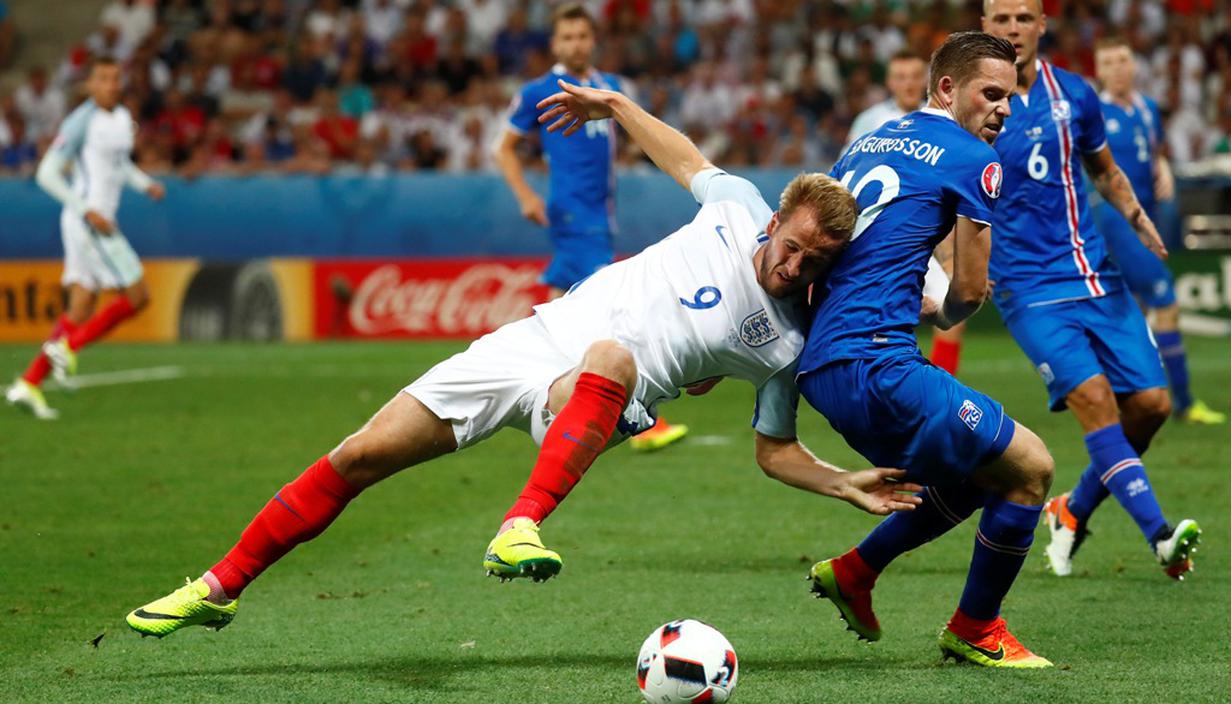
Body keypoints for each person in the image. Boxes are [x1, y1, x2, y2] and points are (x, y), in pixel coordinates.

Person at [125, 77, 924, 640]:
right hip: (533, 341)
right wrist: (613, 105)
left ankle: (520, 524)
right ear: (777, 217)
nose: (794, 269)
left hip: (598, 395)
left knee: (612, 356)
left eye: (813, 265)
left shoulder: (789, 342)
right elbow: (682, 155)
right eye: (791, 249)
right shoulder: (737, 205)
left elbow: (773, 447)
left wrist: (840, 482)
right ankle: (218, 588)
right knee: (360, 453)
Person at [800, 31, 1058, 669]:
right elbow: (969, 293)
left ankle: (856, 571)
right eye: (991, 94)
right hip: (878, 365)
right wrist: (943, 307)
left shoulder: (869, 140)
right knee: (1032, 468)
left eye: (1010, 98)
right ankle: (976, 628)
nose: (1003, 109)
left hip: (823, 366)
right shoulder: (975, 159)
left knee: (977, 473)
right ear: (947, 88)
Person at [982, 0, 1201, 581]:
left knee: (1151, 407)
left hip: (1095, 275)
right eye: (1000, 19)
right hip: (1026, 288)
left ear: (1041, 26)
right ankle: (1160, 536)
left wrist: (1134, 212)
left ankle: (1072, 510)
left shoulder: (1075, 94)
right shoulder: (966, 104)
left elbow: (1102, 168)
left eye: (1022, 18)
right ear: (984, 27)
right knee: (1096, 401)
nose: (1012, 29)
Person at [494, 3, 688, 452]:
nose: (576, 44)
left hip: (600, 213)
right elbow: (503, 148)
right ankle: (637, 415)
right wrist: (525, 195)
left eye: (582, 36)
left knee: (563, 303)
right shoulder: (537, 91)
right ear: (555, 45)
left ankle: (520, 378)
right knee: (608, 309)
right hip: (572, 213)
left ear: (593, 40)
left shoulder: (611, 88)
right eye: (567, 37)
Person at [5, 58, 165, 420]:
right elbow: (47, 173)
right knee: (138, 294)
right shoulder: (81, 121)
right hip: (89, 221)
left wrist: (146, 185)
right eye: (103, 78)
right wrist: (86, 209)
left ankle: (29, 383)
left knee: (81, 306)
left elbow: (120, 165)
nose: (111, 84)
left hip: (96, 221)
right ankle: (69, 347)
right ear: (90, 84)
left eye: (115, 78)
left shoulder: (122, 119)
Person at [1092, 36, 1224, 425]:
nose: (1118, 68)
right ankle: (1183, 402)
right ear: (1099, 71)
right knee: (1165, 299)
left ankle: (1127, 396)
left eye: (1123, 60)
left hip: (1146, 217)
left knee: (1135, 309)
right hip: (1115, 220)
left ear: (1134, 65)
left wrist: (1162, 166)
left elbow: (1154, 150)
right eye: (1110, 62)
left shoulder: (1148, 109)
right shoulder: (1094, 113)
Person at [844, 50, 967, 376]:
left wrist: (955, 254)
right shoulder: (870, 122)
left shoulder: (947, 119)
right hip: (879, 236)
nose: (909, 83)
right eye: (900, 77)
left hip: (928, 234)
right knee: (883, 313)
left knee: (952, 309)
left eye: (915, 76)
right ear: (889, 81)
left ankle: (941, 390)